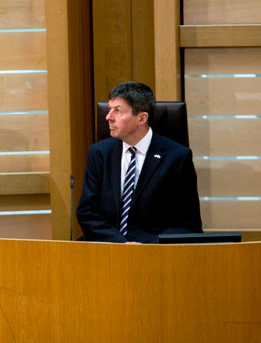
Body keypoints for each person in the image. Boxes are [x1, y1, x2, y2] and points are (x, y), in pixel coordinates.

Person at [76, 81, 202, 243]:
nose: (108, 117)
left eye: (117, 111)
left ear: (142, 118)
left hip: (154, 251)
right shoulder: (99, 153)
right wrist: (122, 243)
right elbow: (87, 212)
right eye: (109, 110)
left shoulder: (176, 157)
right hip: (108, 246)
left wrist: (146, 246)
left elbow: (189, 224)